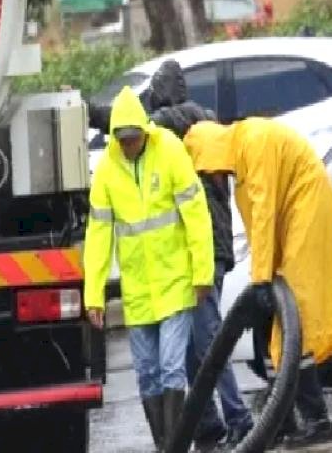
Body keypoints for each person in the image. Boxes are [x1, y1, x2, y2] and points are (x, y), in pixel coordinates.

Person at [183, 118, 332, 448]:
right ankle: (282, 422)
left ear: (211, 154)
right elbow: (258, 223)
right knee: (269, 323)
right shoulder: (241, 163)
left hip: (306, 210)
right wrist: (260, 278)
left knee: (295, 318)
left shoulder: (254, 143)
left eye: (207, 171)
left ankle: (317, 420)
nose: (212, 178)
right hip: (291, 217)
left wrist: (262, 279)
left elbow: (264, 213)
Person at [84, 86, 215, 451]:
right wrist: (93, 294)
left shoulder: (169, 151)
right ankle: (165, 445)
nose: (129, 145)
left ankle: (175, 448)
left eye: (133, 138)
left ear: (144, 131)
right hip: (139, 292)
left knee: (172, 368)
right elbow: (98, 234)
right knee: (147, 376)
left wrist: (202, 272)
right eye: (123, 140)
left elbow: (196, 214)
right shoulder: (108, 170)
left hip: (175, 282)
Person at [145, 61, 254, 450]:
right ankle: (208, 425)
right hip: (204, 248)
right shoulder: (197, 121)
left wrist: (99, 113)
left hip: (207, 250)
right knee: (195, 344)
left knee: (208, 342)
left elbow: (153, 121)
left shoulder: (189, 118)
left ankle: (239, 418)